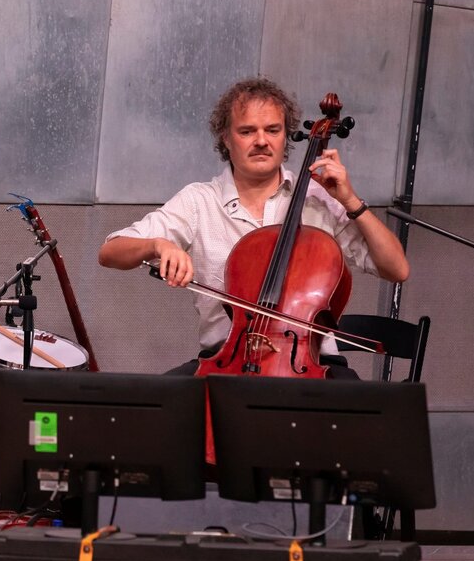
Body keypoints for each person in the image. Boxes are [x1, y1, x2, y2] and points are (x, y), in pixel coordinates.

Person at [98, 77, 409, 377]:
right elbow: (110, 251)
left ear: (285, 136)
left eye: (272, 129)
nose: (261, 141)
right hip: (225, 360)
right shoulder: (198, 201)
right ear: (226, 138)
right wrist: (158, 245)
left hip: (313, 363)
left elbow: (396, 269)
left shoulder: (320, 200)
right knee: (157, 407)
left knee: (362, 419)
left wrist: (351, 201)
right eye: (247, 131)